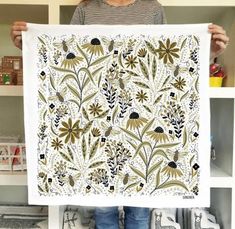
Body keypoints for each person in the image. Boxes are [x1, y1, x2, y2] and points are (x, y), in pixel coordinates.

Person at [11, 0, 229, 229]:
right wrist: (30, 45)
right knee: (104, 209)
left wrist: (208, 50)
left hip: (142, 119)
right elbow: (68, 56)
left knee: (140, 209)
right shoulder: (86, 10)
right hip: (97, 120)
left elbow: (168, 60)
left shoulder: (152, 9)